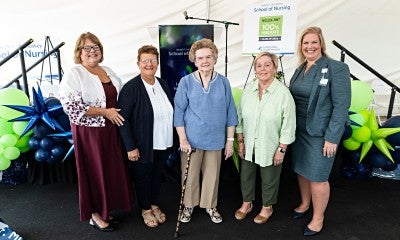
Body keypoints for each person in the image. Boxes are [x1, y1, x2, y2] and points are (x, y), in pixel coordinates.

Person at [59, 32, 133, 232]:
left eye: (96, 47)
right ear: (79, 52)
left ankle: (105, 209)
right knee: (93, 171)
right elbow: (71, 106)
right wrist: (104, 112)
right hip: (89, 133)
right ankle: (93, 214)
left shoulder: (107, 70)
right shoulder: (75, 73)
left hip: (110, 130)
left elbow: (122, 94)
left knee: (107, 171)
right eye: (87, 48)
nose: (92, 51)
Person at [288, 26, 351, 236]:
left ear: (321, 44)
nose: (309, 46)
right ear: (301, 47)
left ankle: (318, 218)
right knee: (301, 169)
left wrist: (332, 138)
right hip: (298, 130)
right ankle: (305, 204)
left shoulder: (336, 68)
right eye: (305, 43)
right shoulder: (299, 69)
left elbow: (341, 106)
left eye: (313, 42)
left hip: (321, 133)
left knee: (317, 176)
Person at [174, 38, 238, 224]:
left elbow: (230, 113)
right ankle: (188, 206)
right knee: (190, 175)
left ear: (215, 58)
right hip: (191, 141)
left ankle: (210, 205)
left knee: (212, 175)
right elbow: (178, 113)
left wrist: (229, 141)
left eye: (208, 56)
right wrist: (183, 140)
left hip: (216, 140)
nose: (205, 61)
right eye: (200, 57)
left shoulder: (224, 82)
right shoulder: (186, 82)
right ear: (194, 60)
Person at [234, 52, 296, 224]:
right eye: (259, 65)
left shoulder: (283, 94)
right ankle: (247, 203)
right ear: (255, 70)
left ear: (275, 68)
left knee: (269, 178)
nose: (263, 69)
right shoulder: (248, 91)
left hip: (271, 145)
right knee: (246, 175)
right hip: (248, 144)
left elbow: (289, 124)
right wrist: (240, 141)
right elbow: (239, 118)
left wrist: (281, 149)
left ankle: (267, 207)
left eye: (267, 64)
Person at [117, 45, 174, 228]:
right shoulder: (130, 88)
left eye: (153, 60)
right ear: (138, 63)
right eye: (145, 60)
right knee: (143, 177)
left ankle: (153, 203)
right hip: (142, 145)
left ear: (158, 62)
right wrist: (129, 147)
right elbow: (122, 120)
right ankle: (145, 208)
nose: (149, 64)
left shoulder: (162, 83)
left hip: (163, 141)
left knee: (157, 175)